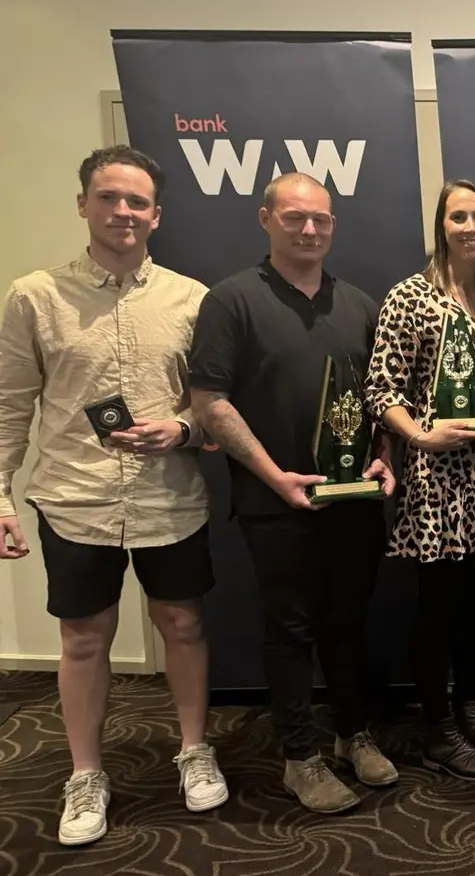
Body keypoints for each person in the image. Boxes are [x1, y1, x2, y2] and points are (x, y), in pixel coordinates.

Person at [0, 145, 227, 845]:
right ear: (83, 204)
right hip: (75, 498)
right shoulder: (33, 295)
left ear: (156, 214)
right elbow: (10, 402)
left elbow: (212, 404)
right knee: (83, 637)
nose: (122, 212)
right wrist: (0, 494)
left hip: (170, 497)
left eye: (136, 201)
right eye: (108, 197)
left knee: (183, 625)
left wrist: (183, 428)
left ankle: (193, 749)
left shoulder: (192, 298)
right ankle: (86, 773)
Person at [190, 172, 398, 815]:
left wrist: (386, 457)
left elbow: (380, 401)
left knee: (348, 623)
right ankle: (299, 759)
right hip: (273, 502)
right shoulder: (231, 301)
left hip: (353, 502)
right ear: (265, 220)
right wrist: (272, 474)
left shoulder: (362, 306)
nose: (309, 230)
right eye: (294, 218)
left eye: (321, 220)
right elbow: (208, 401)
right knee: (290, 631)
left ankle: (350, 735)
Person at [365, 179, 475, 781]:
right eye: (458, 217)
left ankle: (471, 714)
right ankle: (437, 729)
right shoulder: (409, 298)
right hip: (438, 477)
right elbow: (381, 391)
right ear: (440, 226)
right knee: (438, 606)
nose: (470, 227)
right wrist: (418, 435)